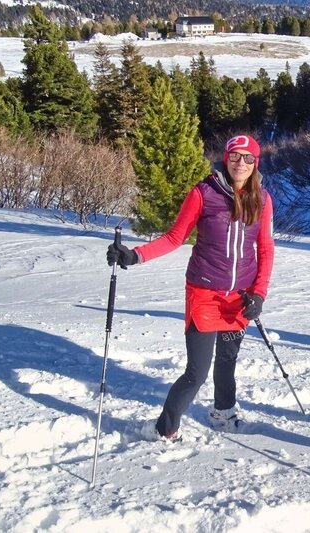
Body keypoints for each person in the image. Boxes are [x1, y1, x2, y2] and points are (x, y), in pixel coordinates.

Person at [107, 134, 274, 440]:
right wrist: (134, 255)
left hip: (240, 297)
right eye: (235, 156)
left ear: (256, 163)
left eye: (248, 158)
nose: (241, 163)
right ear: (225, 159)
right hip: (205, 293)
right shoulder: (204, 193)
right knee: (196, 372)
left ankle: (224, 414)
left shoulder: (262, 199)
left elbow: (265, 249)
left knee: (227, 362)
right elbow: (175, 237)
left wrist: (259, 293)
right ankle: (164, 430)